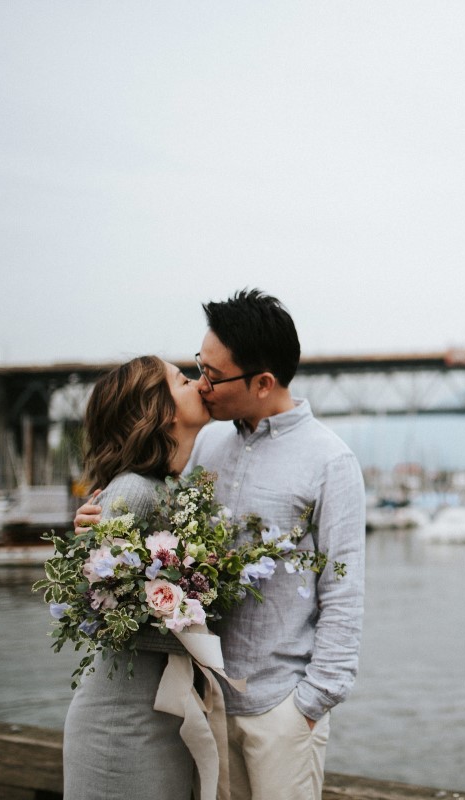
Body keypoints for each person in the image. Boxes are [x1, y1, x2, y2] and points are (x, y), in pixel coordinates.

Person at [76, 289, 366, 800]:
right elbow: (143, 513)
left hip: (282, 708)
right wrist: (92, 527)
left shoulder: (330, 462)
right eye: (198, 367)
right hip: (202, 706)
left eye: (213, 375)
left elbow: (343, 587)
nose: (202, 383)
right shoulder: (203, 444)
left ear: (262, 383)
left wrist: (312, 702)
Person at [63, 355, 210, 799]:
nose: (200, 383)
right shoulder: (132, 490)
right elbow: (92, 603)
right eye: (184, 380)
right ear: (161, 410)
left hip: (164, 714)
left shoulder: (173, 490)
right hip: (121, 724)